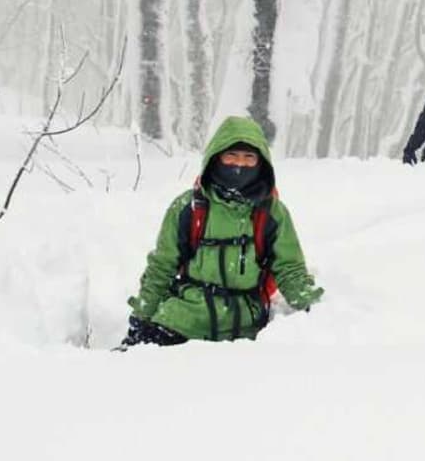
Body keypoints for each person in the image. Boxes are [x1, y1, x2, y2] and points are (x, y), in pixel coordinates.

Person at [122, 115, 323, 347]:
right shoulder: (187, 208)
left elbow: (289, 268)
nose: (239, 165)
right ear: (216, 158)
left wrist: (314, 306)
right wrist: (141, 316)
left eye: (249, 157)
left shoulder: (271, 213)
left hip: (245, 325)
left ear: (261, 163)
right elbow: (161, 268)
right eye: (231, 156)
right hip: (185, 317)